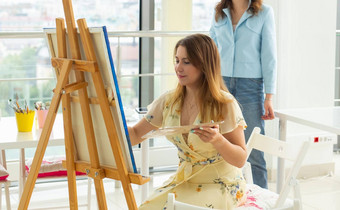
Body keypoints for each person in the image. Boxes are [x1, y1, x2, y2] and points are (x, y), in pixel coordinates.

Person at [128, 34, 248, 209]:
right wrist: (105, 127)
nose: (178, 68)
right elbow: (137, 134)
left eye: (186, 62)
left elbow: (240, 159)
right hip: (185, 181)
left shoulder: (224, 104)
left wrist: (217, 140)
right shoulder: (169, 101)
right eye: (177, 60)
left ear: (204, 65)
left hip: (222, 185)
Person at [209, 0, 277, 189]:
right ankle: (227, 194)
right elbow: (210, 51)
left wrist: (269, 96)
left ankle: (260, 198)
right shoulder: (219, 13)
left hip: (251, 85)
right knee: (221, 143)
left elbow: (269, 56)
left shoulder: (264, 13)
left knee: (253, 147)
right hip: (220, 83)